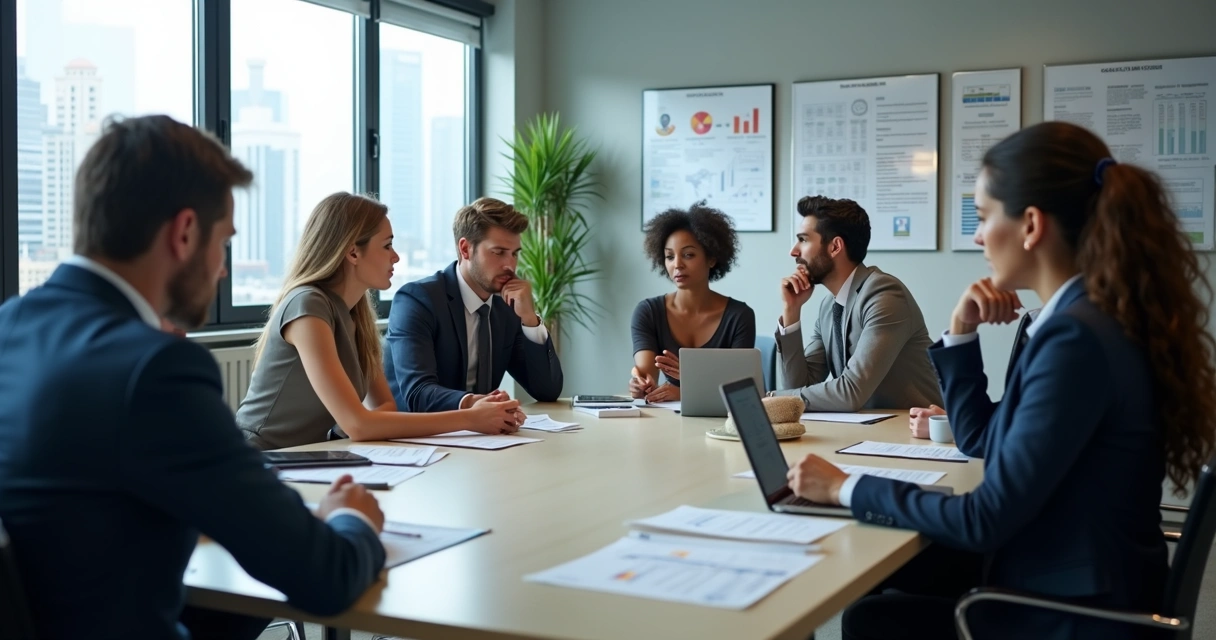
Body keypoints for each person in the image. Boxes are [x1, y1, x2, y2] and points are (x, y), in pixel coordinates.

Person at [786, 121, 1216, 640]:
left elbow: (985, 519)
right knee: (890, 573)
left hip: (1066, 609)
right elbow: (983, 440)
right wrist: (961, 333)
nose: (976, 234)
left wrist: (844, 487)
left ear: (1031, 225)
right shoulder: (1079, 319)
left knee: (869, 617)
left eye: (985, 216)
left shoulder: (1076, 339)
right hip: (1066, 565)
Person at [0, 115, 387, 640]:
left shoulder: (10, 327)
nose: (222, 269)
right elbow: (327, 577)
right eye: (223, 241)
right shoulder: (156, 370)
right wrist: (353, 518)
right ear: (185, 233)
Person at [237, 192, 524, 451]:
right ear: (352, 252)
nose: (396, 257)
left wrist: (476, 409)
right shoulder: (308, 305)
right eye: (387, 246)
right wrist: (469, 418)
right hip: (259, 457)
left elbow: (383, 407)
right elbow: (359, 425)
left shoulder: (357, 314)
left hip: (312, 457)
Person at [385, 197, 563, 412]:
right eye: (498, 252)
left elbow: (547, 390)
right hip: (418, 438)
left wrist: (530, 319)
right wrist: (478, 405)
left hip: (481, 438)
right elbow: (418, 394)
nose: (510, 265)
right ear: (465, 249)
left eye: (514, 254)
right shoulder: (418, 300)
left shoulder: (507, 307)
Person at [769, 195, 941, 411]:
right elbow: (797, 388)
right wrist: (791, 311)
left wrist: (773, 398)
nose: (793, 251)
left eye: (803, 240)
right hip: (864, 434)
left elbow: (850, 392)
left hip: (912, 435)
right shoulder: (828, 308)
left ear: (835, 247)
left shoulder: (884, 295)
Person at [628, 202, 756, 402]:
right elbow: (646, 377)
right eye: (669, 256)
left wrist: (685, 389)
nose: (677, 264)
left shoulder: (739, 316)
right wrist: (641, 386)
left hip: (722, 422)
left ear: (711, 258)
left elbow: (739, 390)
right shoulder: (648, 312)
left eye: (688, 255)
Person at [908, 308, 1038, 438]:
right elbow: (1021, 415)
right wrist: (955, 423)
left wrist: (950, 428)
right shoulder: (1038, 320)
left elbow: (1040, 432)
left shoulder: (1050, 328)